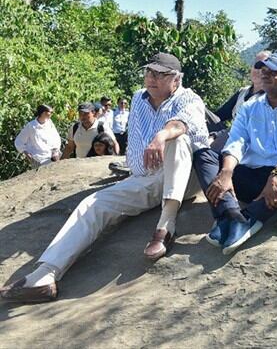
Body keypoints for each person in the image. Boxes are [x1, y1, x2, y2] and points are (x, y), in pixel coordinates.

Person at [1, 53, 210, 303]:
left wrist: (162, 135)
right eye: (149, 72)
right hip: (146, 177)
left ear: (176, 79)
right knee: (93, 203)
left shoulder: (190, 98)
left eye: (160, 74)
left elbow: (183, 123)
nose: (152, 78)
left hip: (186, 176)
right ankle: (44, 276)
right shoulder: (138, 98)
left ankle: (166, 225)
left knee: (178, 139)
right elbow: (136, 145)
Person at [193, 53, 277, 254]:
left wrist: (276, 176)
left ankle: (249, 217)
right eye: (263, 71)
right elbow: (237, 140)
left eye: (273, 72)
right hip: (247, 176)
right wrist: (226, 172)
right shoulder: (249, 107)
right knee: (204, 156)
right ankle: (231, 214)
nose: (265, 75)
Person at [14, 104, 62, 169]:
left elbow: (56, 138)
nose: (51, 114)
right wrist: (26, 153)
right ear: (43, 113)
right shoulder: (31, 126)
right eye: (50, 112)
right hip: (37, 159)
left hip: (51, 158)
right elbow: (19, 141)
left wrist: (55, 150)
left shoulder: (49, 123)